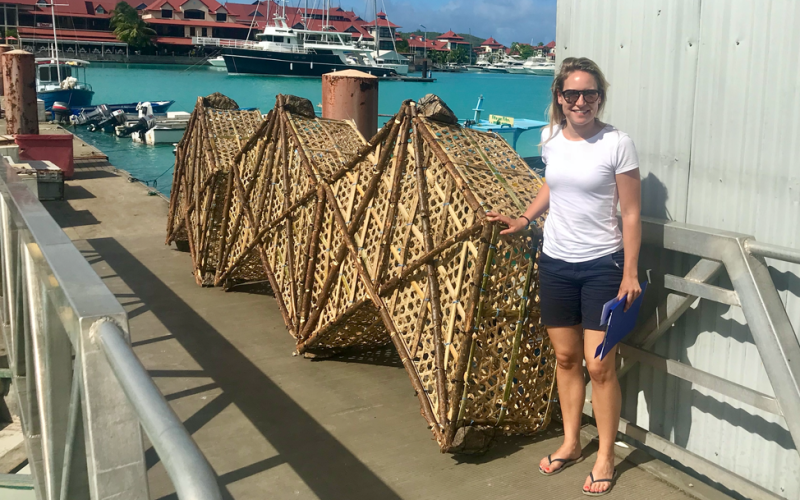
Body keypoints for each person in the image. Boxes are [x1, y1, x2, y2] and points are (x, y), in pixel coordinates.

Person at [487, 56, 641, 496]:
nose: (580, 101)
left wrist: (629, 272)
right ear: (559, 98)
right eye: (571, 93)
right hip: (555, 261)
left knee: (600, 364)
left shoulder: (617, 143)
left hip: (602, 266)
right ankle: (572, 442)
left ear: (599, 97)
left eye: (589, 93)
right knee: (567, 359)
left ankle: (606, 453)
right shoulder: (550, 136)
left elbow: (630, 213)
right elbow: (552, 185)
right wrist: (524, 217)